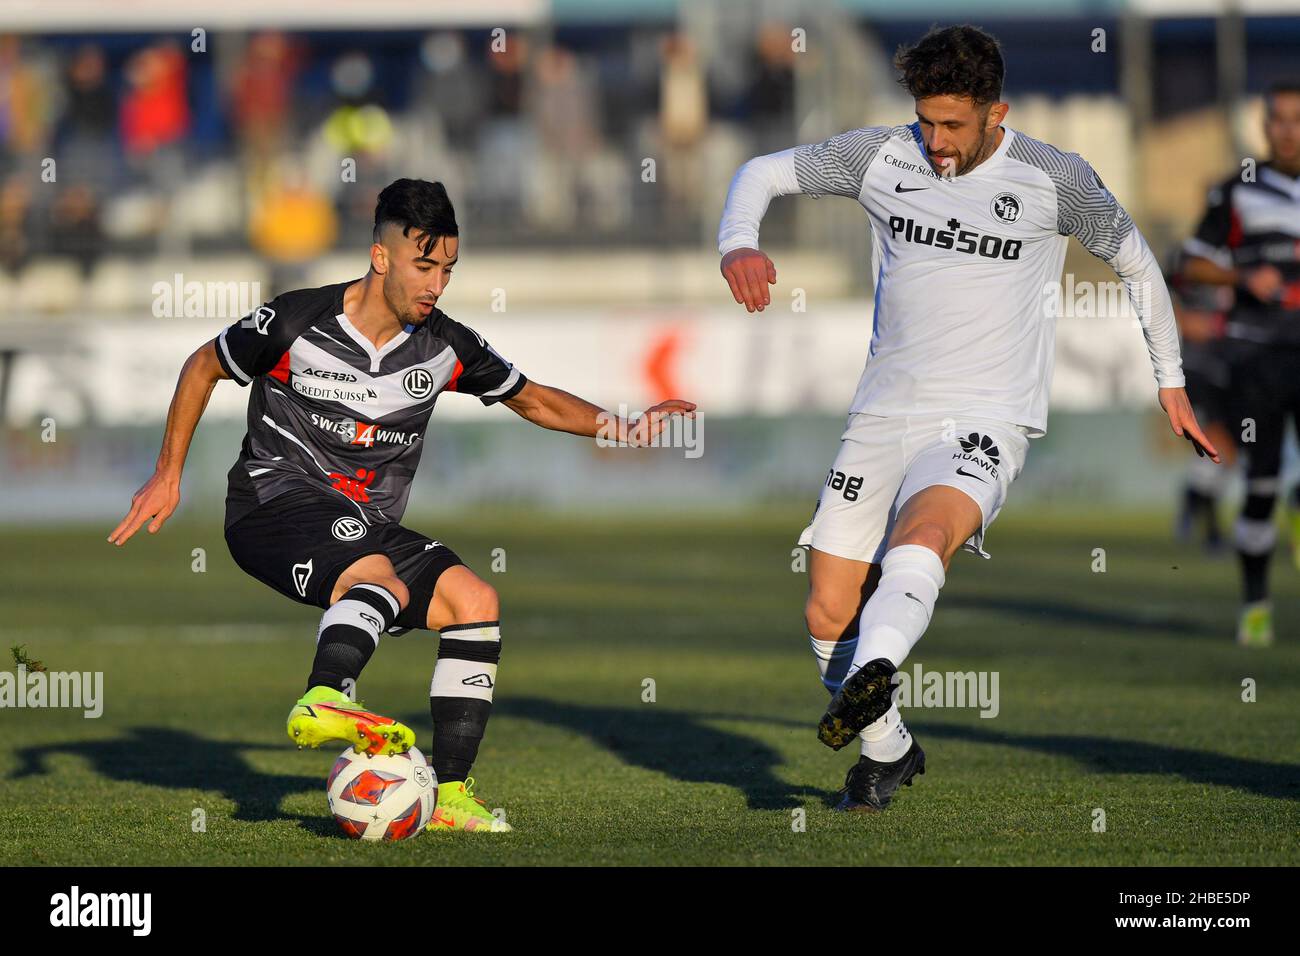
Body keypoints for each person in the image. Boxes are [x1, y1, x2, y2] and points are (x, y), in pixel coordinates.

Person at [717, 25, 1217, 812]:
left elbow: (1135, 260)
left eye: (953, 125)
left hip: (986, 416)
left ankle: (877, 667)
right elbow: (759, 173)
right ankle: (888, 750)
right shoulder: (880, 155)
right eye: (927, 121)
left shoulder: (1055, 176)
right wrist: (738, 244)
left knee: (923, 537)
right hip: (881, 412)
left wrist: (1171, 378)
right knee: (824, 608)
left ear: (997, 112)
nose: (937, 142)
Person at [110, 178, 695, 832]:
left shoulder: (447, 346)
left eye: (447, 269)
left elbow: (532, 399)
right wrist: (167, 473)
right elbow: (202, 366)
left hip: (365, 526)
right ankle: (324, 697)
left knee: (474, 604)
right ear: (381, 256)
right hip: (270, 504)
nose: (436, 284)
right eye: (424, 266)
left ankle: (449, 798)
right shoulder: (296, 321)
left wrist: (627, 426)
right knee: (374, 572)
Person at [1182, 80, 1300, 647]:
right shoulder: (1238, 190)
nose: (1287, 130)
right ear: (1264, 125)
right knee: (1262, 484)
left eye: (1297, 120)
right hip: (1258, 354)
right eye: (1278, 119)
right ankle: (1255, 604)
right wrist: (1242, 277)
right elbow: (1192, 264)